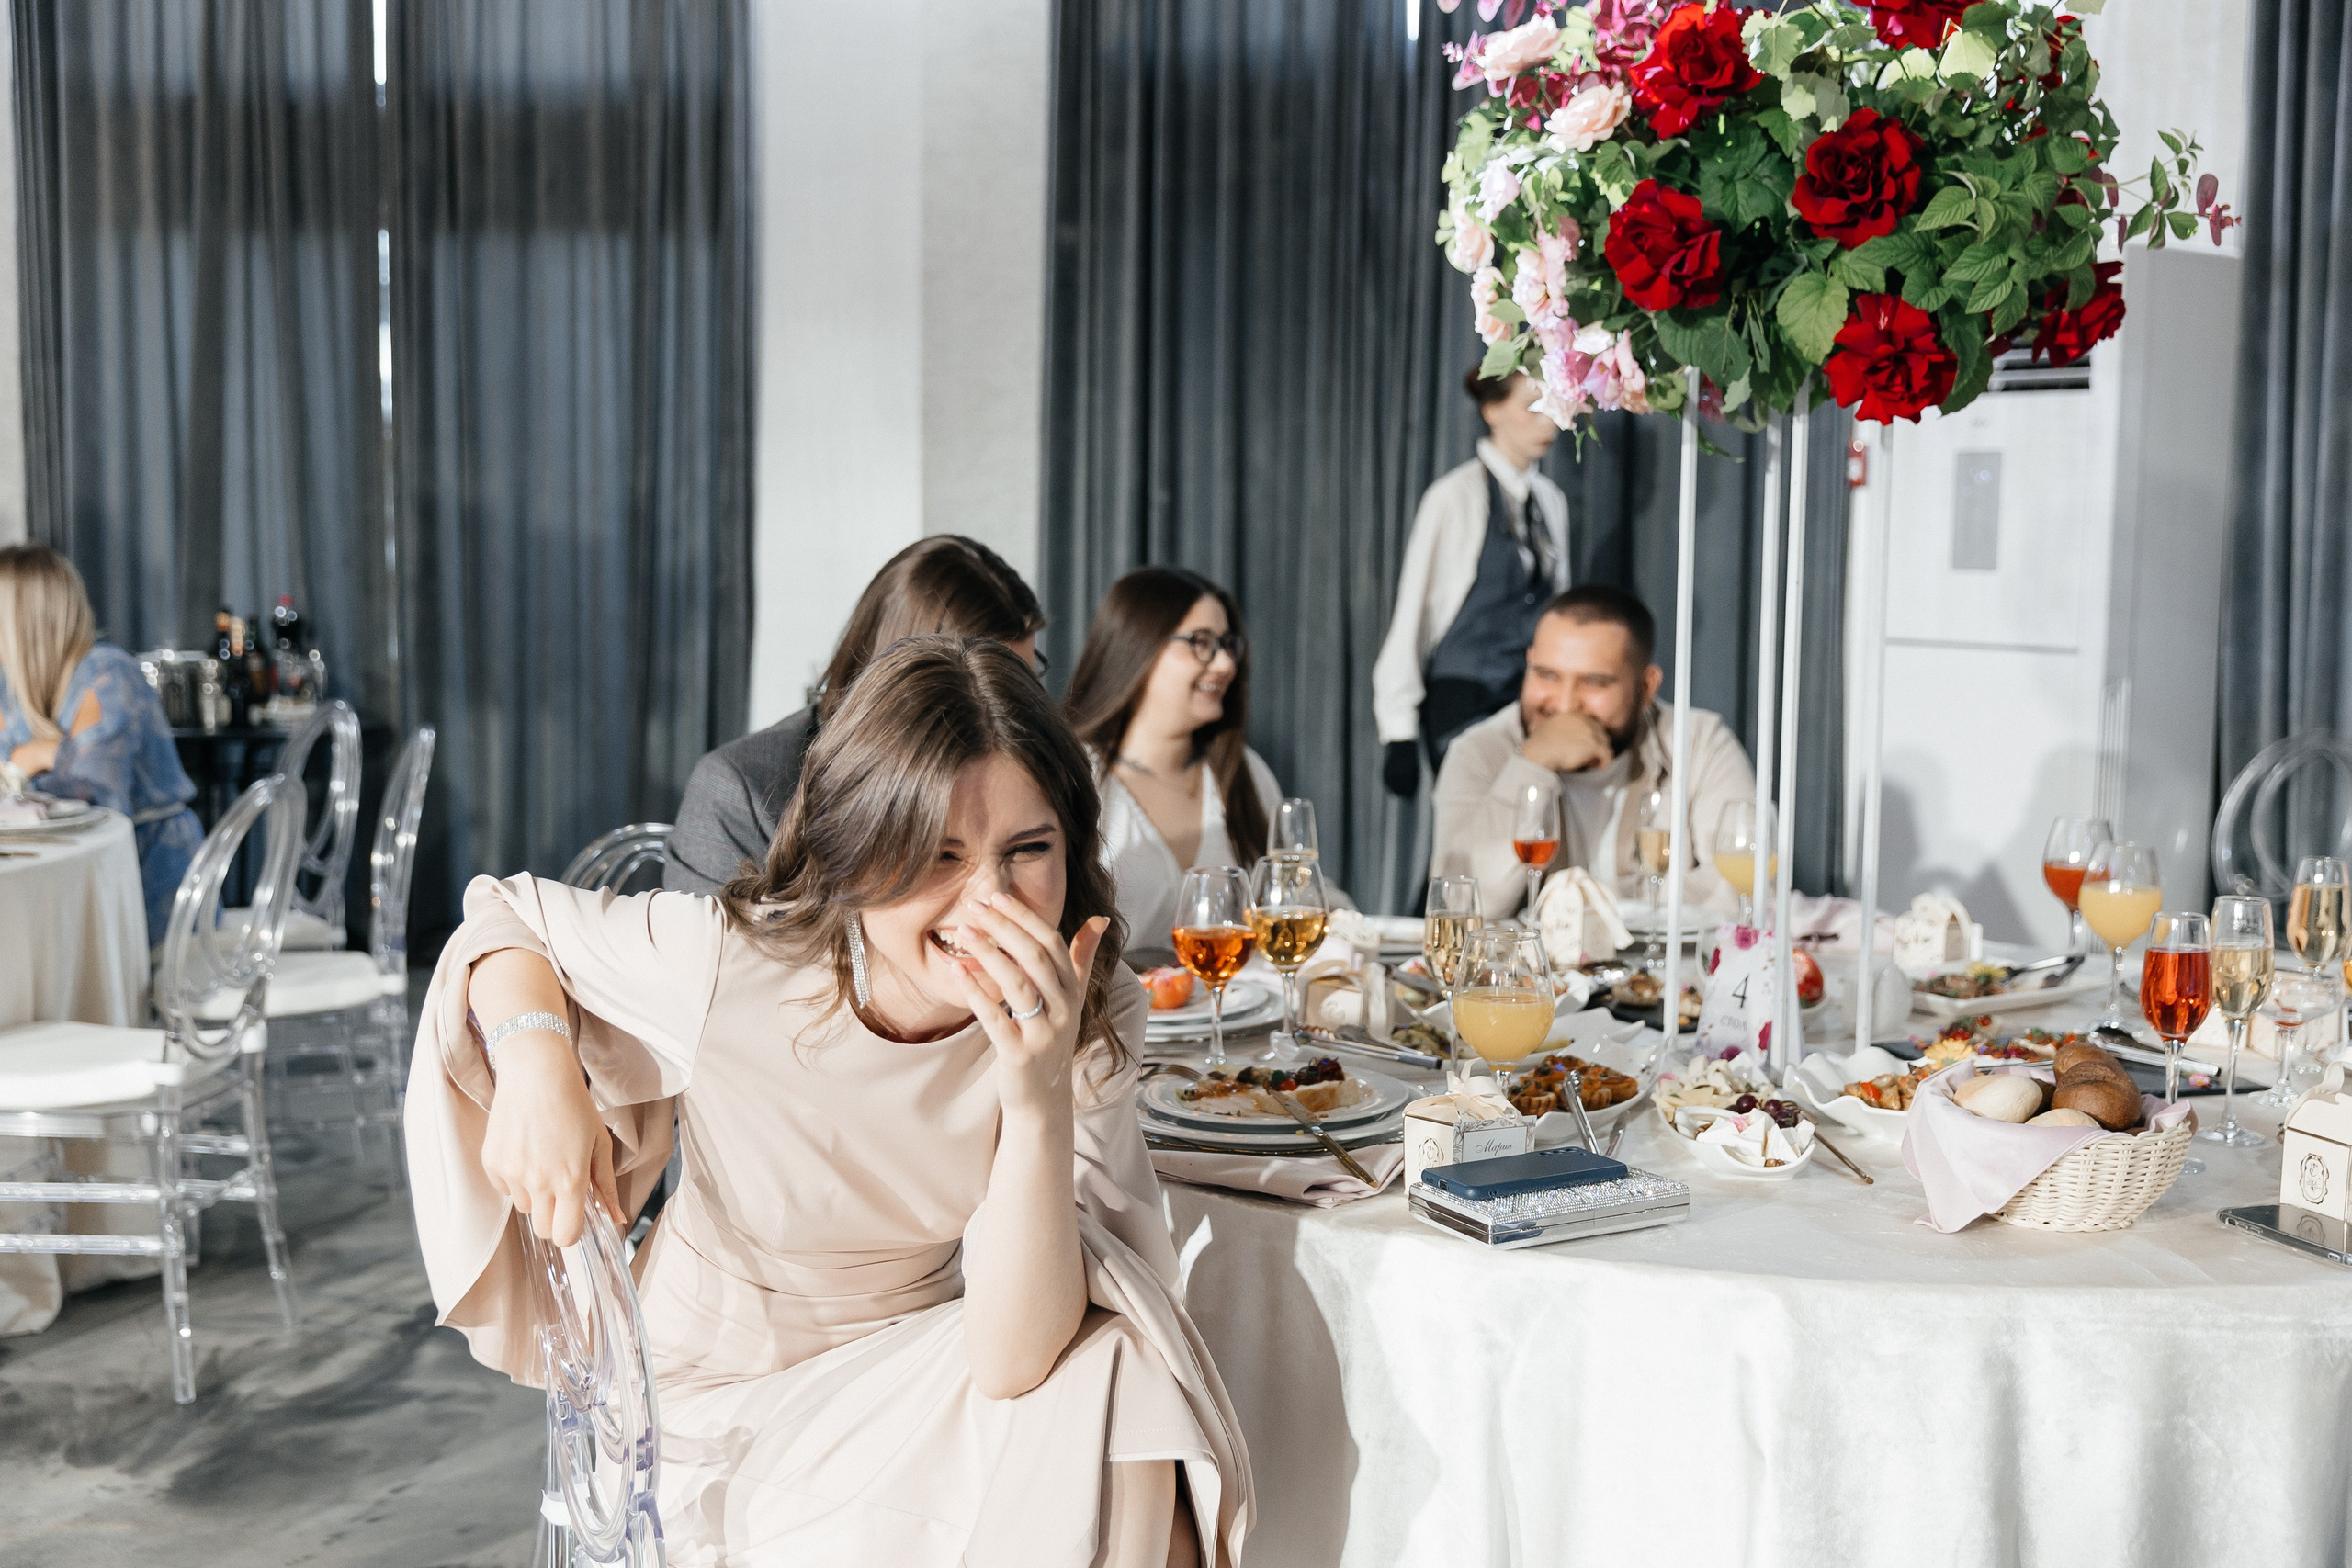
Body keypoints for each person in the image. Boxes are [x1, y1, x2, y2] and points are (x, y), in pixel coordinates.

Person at [406, 637, 1250, 1567]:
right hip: (708, 1418)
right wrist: (537, 1062)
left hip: (921, 1370)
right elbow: (506, 917)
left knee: (1120, 1374)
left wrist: (1038, 1097)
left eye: (1028, 850)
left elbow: (1016, 1357)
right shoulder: (735, 962)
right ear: (860, 850)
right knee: (1115, 1434)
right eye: (938, 855)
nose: (991, 900)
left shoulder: (1084, 1000)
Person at [664, 535, 1046, 895]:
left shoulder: (1030, 776)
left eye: (1025, 684)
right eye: (991, 685)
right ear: (904, 673)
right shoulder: (741, 791)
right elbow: (719, 945)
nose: (1013, 712)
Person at [1430, 584, 1754, 920]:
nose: (1565, 705)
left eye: (1594, 682)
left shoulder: (1700, 744)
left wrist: (1585, 913)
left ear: (1646, 687)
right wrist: (1532, 763)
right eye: (1547, 675)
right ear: (1529, 664)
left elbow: (1745, 891)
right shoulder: (1479, 751)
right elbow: (1458, 907)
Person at [1373, 365, 1573, 797]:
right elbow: (1415, 612)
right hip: (1462, 694)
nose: (1548, 422)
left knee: (1532, 821)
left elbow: (1558, 608)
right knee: (1474, 824)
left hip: (1526, 701)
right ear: (1492, 411)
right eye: (1533, 407)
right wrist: (1398, 730)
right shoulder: (1453, 497)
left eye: (1552, 407)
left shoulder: (1551, 502)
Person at [1061, 567, 1283, 952]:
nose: (1225, 665)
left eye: (1227, 644)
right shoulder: (1075, 777)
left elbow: (1294, 894)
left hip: (1237, 993)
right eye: (1201, 642)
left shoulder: (1244, 771)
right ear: (1136, 647)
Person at [0, 544, 203, 942]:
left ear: (19, 619)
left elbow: (100, 802)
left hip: (148, 881)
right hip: (64, 877)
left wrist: (31, 757)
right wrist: (37, 756)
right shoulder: (9, 686)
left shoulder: (107, 673)